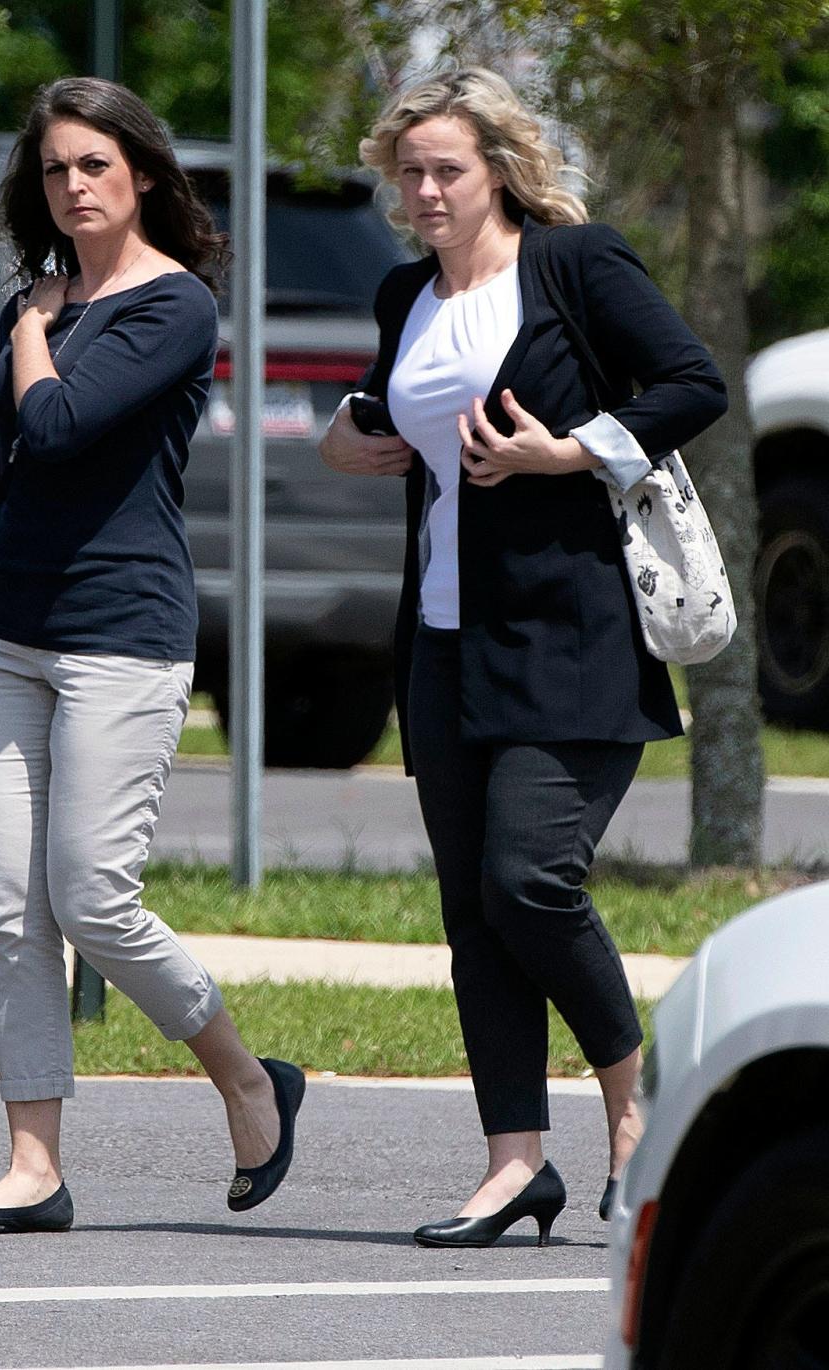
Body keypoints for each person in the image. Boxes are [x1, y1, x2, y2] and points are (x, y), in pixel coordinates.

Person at [320, 67, 727, 1248]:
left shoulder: (573, 264)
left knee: (529, 878)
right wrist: (356, 437)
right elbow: (381, 415)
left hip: (574, 627)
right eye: (410, 173)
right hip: (444, 636)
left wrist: (573, 452)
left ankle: (634, 1108)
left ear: (499, 165)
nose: (425, 190)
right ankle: (514, 1163)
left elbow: (690, 380)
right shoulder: (406, 293)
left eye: (446, 168)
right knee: (471, 909)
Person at [0, 77, 304, 1237]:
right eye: (54, 170)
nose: (74, 185)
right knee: (9, 908)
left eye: (94, 164)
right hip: (5, 635)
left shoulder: (172, 306)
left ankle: (248, 1077)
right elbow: (7, 480)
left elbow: (55, 427)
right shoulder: (33, 300)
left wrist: (33, 326)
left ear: (141, 173)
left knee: (90, 892)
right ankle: (33, 1162)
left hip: (118, 637)